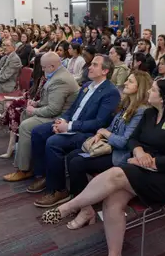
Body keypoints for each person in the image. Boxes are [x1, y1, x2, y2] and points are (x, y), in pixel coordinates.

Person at [41, 79, 165, 256]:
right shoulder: (149, 114)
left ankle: (68, 207)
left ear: (164, 98)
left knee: (116, 174)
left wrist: (153, 161)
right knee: (112, 198)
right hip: (140, 168)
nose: (148, 90)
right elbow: (133, 140)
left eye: (154, 90)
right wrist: (139, 152)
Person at [63, 71, 152, 230]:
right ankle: (84, 203)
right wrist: (100, 133)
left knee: (77, 163)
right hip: (110, 147)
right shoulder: (127, 104)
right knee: (72, 156)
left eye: (130, 81)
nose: (125, 83)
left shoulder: (140, 111)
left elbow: (125, 142)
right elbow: (112, 128)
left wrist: (106, 133)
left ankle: (85, 209)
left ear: (140, 88)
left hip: (121, 156)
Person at [31, 55, 121, 207]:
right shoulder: (86, 85)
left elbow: (99, 122)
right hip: (72, 124)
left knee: (54, 142)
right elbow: (73, 109)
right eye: (91, 64)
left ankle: (58, 189)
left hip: (88, 133)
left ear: (105, 71)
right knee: (38, 132)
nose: (90, 67)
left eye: (95, 65)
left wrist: (69, 127)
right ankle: (46, 175)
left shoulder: (110, 92)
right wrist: (63, 120)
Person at [3, 53, 80, 182]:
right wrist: (37, 104)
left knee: (26, 126)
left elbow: (54, 109)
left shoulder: (60, 79)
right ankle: (28, 160)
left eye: (44, 67)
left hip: (60, 118)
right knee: (24, 114)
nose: (42, 70)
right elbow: (50, 100)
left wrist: (34, 111)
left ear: (52, 65)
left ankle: (24, 169)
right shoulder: (58, 74)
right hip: (56, 112)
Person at [0, 55, 46, 158]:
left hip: (38, 106)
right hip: (33, 102)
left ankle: (2, 127)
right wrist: (25, 95)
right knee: (13, 106)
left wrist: (26, 97)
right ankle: (11, 143)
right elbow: (33, 93)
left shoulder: (45, 78)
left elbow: (38, 97)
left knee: (14, 108)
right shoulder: (40, 78)